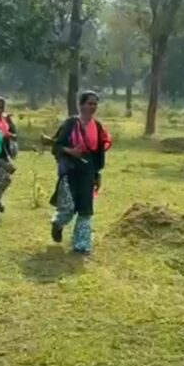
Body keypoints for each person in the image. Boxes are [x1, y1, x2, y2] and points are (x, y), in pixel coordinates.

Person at [50, 91, 112, 255]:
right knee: (68, 207)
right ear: (81, 105)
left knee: (85, 210)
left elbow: (99, 153)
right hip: (70, 170)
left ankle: (81, 245)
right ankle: (58, 224)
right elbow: (56, 146)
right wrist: (71, 151)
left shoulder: (97, 127)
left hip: (88, 172)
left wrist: (97, 174)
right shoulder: (70, 124)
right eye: (89, 103)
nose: (92, 107)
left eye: (95, 104)